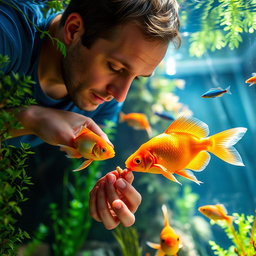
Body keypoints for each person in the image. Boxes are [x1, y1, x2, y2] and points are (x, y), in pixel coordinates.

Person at [0, 0, 181, 230]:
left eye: (136, 78)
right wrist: (30, 118)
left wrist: (107, 194)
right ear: (73, 30)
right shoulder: (7, 36)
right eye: (115, 67)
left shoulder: (101, 105)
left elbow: (86, 169)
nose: (120, 96)